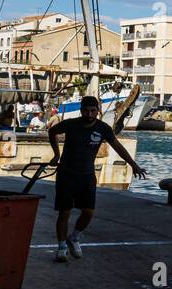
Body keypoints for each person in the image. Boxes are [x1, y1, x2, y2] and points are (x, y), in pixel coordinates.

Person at [47, 96, 148, 263]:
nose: (89, 114)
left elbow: (118, 146)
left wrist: (134, 165)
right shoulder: (70, 124)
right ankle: (61, 247)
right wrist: (56, 154)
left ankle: (75, 237)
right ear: (81, 110)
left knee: (88, 212)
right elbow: (52, 132)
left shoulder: (103, 128)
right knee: (64, 213)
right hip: (66, 175)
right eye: (86, 110)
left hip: (87, 176)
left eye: (93, 111)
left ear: (98, 111)